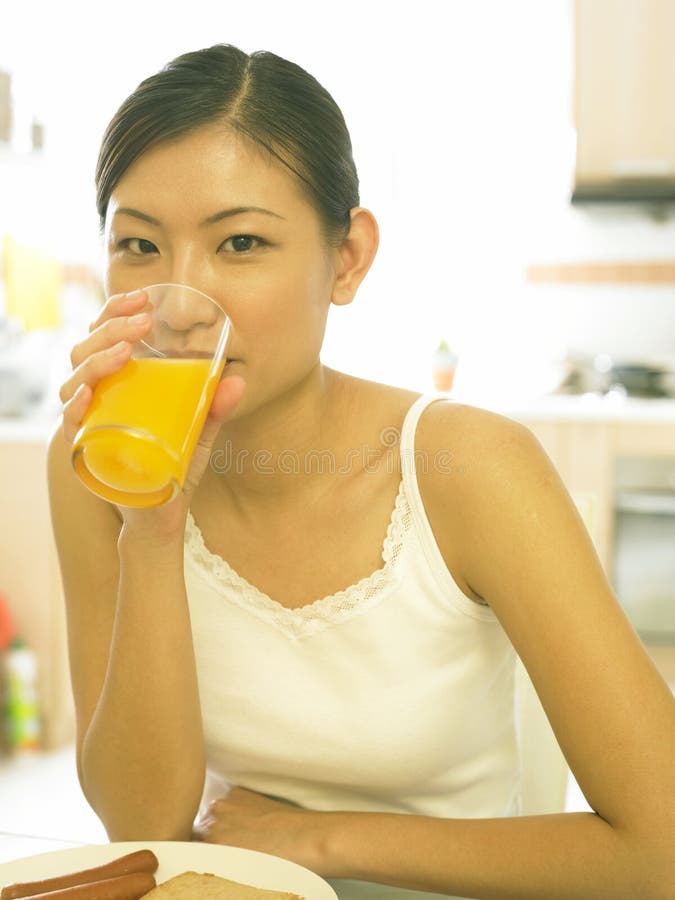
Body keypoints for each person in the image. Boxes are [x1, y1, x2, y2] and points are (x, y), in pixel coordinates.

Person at [48, 44, 674, 900]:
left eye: (240, 242)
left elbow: (661, 849)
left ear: (346, 260)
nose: (180, 301)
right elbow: (144, 829)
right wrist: (152, 530)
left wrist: (323, 838)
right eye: (138, 245)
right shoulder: (96, 464)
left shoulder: (466, 467)